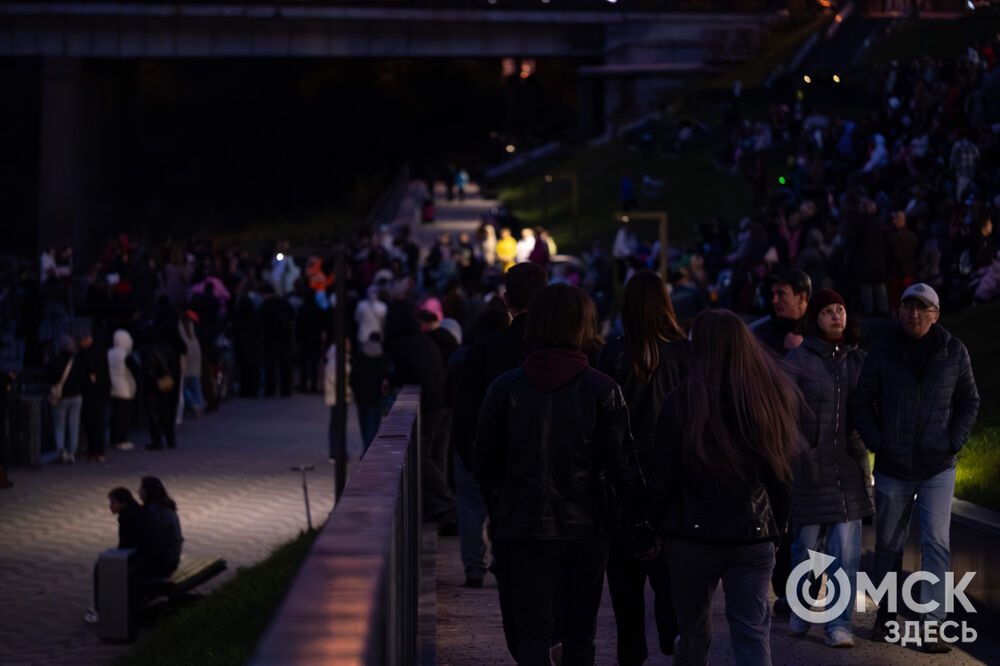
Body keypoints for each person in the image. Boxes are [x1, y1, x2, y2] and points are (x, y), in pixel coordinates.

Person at [473, 284, 647, 666]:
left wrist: (503, 506)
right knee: (580, 633)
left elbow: (484, 462)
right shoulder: (603, 389)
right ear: (581, 325)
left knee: (532, 633)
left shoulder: (505, 388)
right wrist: (638, 522)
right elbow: (624, 467)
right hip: (587, 526)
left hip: (523, 525)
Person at [650, 309, 801, 666]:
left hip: (691, 535)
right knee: (752, 634)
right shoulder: (764, 399)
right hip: (753, 532)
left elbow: (663, 476)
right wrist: (777, 529)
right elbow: (781, 475)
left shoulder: (681, 401)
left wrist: (652, 525)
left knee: (693, 635)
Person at [852, 283, 979, 653]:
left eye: (923, 308)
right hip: (893, 465)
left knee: (936, 542)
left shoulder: (953, 351)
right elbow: (862, 401)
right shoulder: (884, 349)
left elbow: (969, 400)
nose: (914, 313)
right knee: (888, 545)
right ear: (900, 311)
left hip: (938, 465)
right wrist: (878, 442)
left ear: (936, 314)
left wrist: (953, 441)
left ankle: (933, 624)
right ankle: (887, 614)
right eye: (908, 306)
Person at [595, 270, 689, 666]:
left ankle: (632, 652)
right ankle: (674, 637)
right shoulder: (685, 354)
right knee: (672, 577)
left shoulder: (612, 355)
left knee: (624, 583)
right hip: (674, 478)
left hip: (623, 476)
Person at [783, 290, 873, 648]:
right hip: (809, 470)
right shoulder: (797, 360)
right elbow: (784, 415)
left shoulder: (858, 360)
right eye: (828, 311)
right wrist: (801, 453)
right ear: (815, 318)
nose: (837, 316)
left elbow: (870, 409)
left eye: (841, 309)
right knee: (806, 549)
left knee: (845, 553)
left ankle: (839, 624)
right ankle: (801, 605)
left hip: (848, 470)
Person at [84, 486, 147, 624]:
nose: (110, 506)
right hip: (144, 555)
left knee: (101, 567)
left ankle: (101, 609)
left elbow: (127, 545)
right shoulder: (135, 511)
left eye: (113, 502)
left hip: (139, 558)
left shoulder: (127, 517)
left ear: (123, 502)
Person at [750, 268, 811, 357]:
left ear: (802, 297)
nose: (774, 301)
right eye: (773, 294)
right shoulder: (760, 332)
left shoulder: (821, 329)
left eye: (781, 294)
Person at [350, 332, 390, 452]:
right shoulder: (382, 357)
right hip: (375, 397)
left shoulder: (360, 356)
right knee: (372, 427)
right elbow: (386, 377)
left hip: (361, 396)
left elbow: (353, 377)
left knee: (364, 425)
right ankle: (368, 451)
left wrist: (355, 390)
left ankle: (366, 449)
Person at [47, 335, 84, 463]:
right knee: (74, 424)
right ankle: (72, 451)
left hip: (61, 396)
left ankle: (61, 449)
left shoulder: (55, 360)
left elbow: (49, 376)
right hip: (76, 395)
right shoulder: (76, 361)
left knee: (59, 425)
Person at [139, 476, 183, 579]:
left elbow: (153, 540)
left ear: (147, 491)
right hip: (172, 557)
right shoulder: (166, 506)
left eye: (141, 488)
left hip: (163, 562)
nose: (139, 491)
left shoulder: (154, 511)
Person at [78, 331, 111, 461]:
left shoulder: (94, 353)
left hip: (95, 394)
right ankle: (93, 449)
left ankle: (97, 450)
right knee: (90, 422)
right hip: (93, 394)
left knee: (96, 422)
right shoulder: (90, 352)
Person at [107, 329, 138, 451]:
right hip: (125, 388)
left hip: (112, 388)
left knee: (115, 415)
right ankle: (122, 440)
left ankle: (114, 439)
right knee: (123, 417)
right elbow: (135, 370)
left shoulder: (109, 353)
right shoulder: (126, 355)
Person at [324, 340, 352, 461]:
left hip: (339, 396)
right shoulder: (335, 360)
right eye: (347, 343)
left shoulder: (340, 358)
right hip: (337, 397)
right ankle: (335, 452)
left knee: (338, 424)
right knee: (337, 424)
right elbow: (335, 378)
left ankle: (339, 450)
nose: (349, 345)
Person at [178, 311, 206, 419]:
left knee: (184, 387)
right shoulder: (192, 325)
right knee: (195, 384)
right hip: (195, 352)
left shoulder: (179, 326)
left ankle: (194, 404)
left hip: (186, 355)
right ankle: (200, 404)